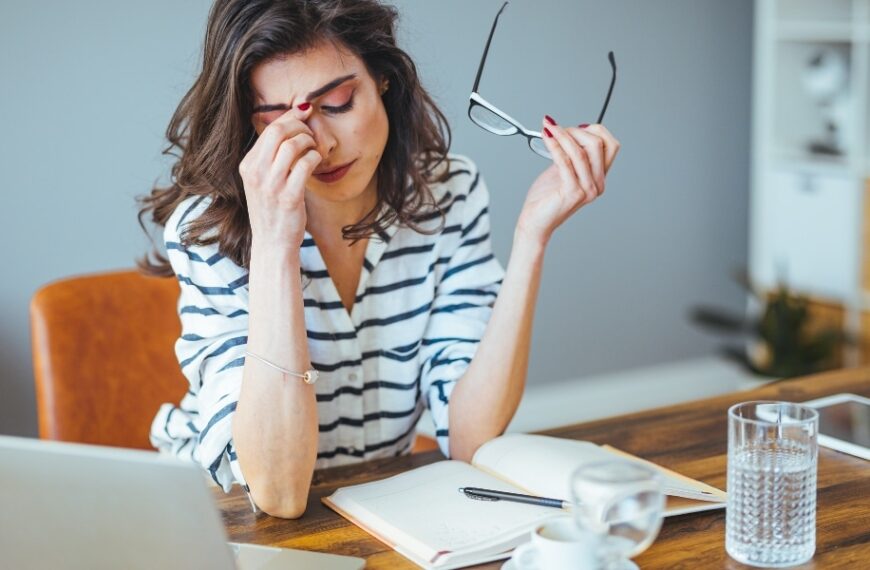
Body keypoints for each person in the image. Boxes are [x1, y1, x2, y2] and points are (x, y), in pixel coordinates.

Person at [138, 0, 619, 519]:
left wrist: (532, 237)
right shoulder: (208, 229)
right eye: (277, 120)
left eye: (339, 103)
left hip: (371, 508)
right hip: (216, 516)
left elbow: (470, 439)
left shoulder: (446, 194)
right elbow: (275, 492)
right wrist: (276, 242)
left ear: (384, 80)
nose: (318, 144)